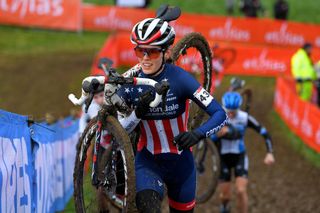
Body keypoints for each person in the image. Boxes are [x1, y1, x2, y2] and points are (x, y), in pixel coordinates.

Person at [116, 15, 228, 212]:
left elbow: (220, 113)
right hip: (148, 162)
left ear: (165, 52)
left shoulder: (181, 79)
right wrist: (137, 114)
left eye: (151, 52)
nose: (144, 58)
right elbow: (119, 131)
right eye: (140, 51)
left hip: (181, 166)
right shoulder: (130, 85)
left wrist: (197, 134)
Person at [210, 91, 275, 213]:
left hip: (239, 156)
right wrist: (216, 135)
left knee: (241, 190)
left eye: (234, 111)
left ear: (238, 108)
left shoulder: (245, 118)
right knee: (225, 196)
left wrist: (269, 152)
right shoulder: (217, 117)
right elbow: (206, 139)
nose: (231, 113)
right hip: (223, 158)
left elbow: (265, 133)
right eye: (228, 110)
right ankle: (224, 206)